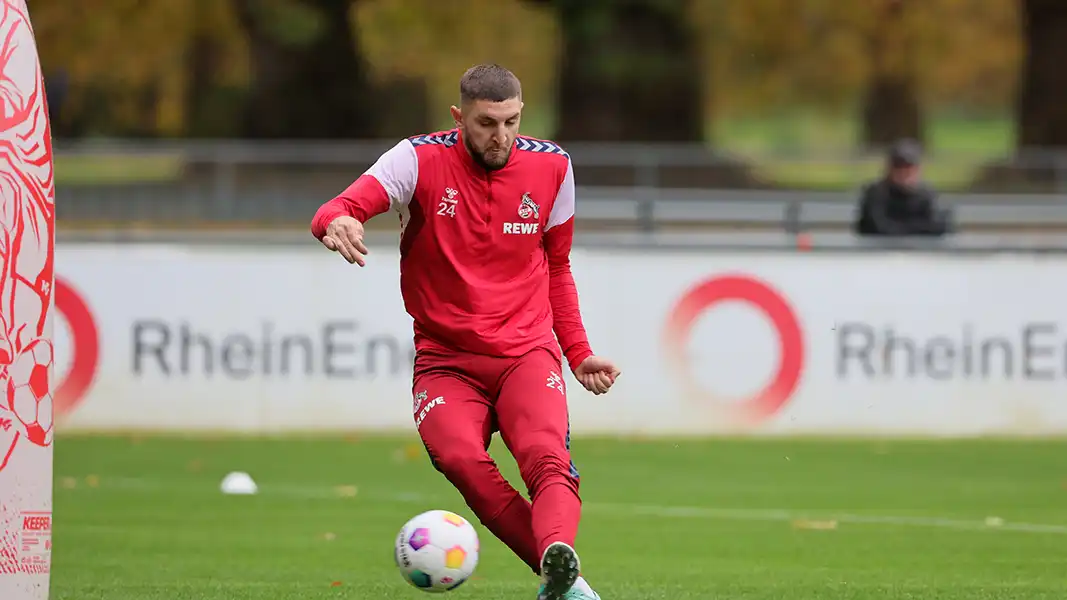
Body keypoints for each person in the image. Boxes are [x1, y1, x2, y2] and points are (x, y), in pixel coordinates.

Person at [310, 64, 618, 600]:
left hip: (527, 352)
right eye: (486, 124)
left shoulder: (553, 167)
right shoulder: (416, 159)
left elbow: (558, 267)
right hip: (446, 359)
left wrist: (579, 353)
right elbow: (340, 206)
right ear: (459, 117)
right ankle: (569, 586)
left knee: (547, 459)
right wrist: (337, 221)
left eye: (512, 122)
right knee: (460, 459)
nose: (501, 136)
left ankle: (558, 565)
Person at [854, 138, 953, 236]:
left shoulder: (927, 196)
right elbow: (876, 226)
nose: (904, 173)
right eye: (899, 167)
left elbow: (938, 226)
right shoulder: (876, 195)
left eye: (908, 168)